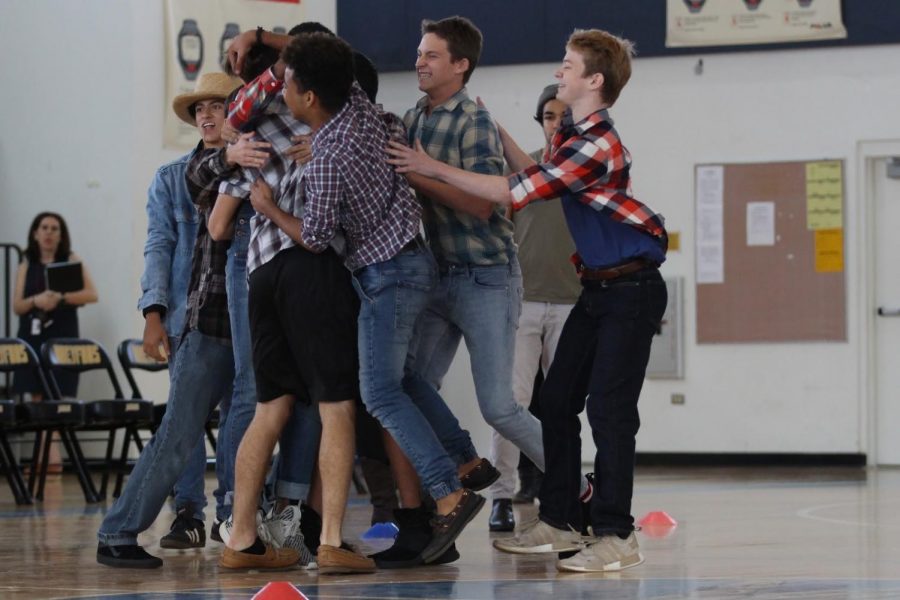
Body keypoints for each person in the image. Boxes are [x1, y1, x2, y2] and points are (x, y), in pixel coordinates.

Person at [387, 28, 668, 573]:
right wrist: (496, 131)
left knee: (610, 413)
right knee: (557, 402)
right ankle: (561, 520)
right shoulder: (574, 136)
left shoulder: (597, 142)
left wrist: (426, 166)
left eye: (568, 65)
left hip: (632, 290)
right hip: (599, 286)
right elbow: (530, 173)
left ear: (594, 80)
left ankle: (615, 532)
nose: (559, 71)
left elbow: (510, 193)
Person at [96, 72, 267, 569]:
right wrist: (153, 313)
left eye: (217, 106)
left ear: (236, 111)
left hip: (255, 319)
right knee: (179, 431)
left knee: (247, 421)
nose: (207, 116)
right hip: (200, 320)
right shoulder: (175, 177)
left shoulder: (259, 163)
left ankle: (235, 521)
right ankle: (131, 528)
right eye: (199, 110)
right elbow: (159, 246)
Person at [487, 84, 579, 532]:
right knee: (512, 402)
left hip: (570, 303)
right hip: (522, 302)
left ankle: (567, 489)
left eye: (564, 115)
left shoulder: (585, 170)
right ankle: (502, 495)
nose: (557, 122)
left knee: (565, 405)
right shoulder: (522, 174)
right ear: (540, 121)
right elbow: (503, 223)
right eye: (549, 116)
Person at [12, 212, 98, 472]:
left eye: (54, 228)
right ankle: (44, 458)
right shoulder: (27, 264)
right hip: (34, 334)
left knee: (59, 394)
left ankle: (52, 458)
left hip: (61, 332)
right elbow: (17, 305)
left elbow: (91, 294)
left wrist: (59, 299)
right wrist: (37, 301)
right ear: (35, 233)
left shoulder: (71, 260)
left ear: (61, 235)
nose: (49, 233)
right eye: (44, 227)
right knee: (38, 395)